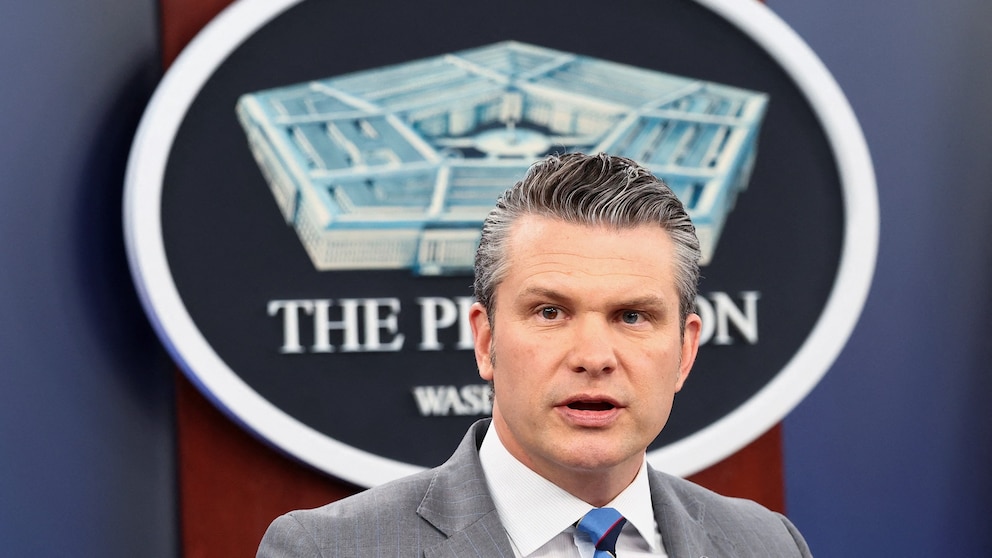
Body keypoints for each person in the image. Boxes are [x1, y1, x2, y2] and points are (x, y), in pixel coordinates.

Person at [257, 152, 812, 557]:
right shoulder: (328, 549)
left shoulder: (767, 544)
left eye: (632, 316)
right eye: (550, 312)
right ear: (486, 341)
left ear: (685, 350)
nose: (594, 356)